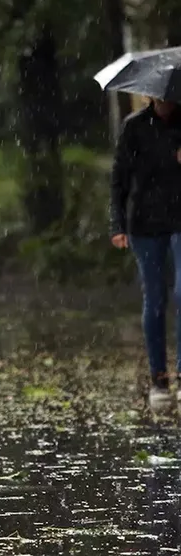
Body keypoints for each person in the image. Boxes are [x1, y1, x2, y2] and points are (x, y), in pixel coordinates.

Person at [110, 97, 181, 407]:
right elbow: (119, 181)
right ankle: (159, 379)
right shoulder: (134, 127)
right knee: (154, 299)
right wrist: (117, 225)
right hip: (145, 224)